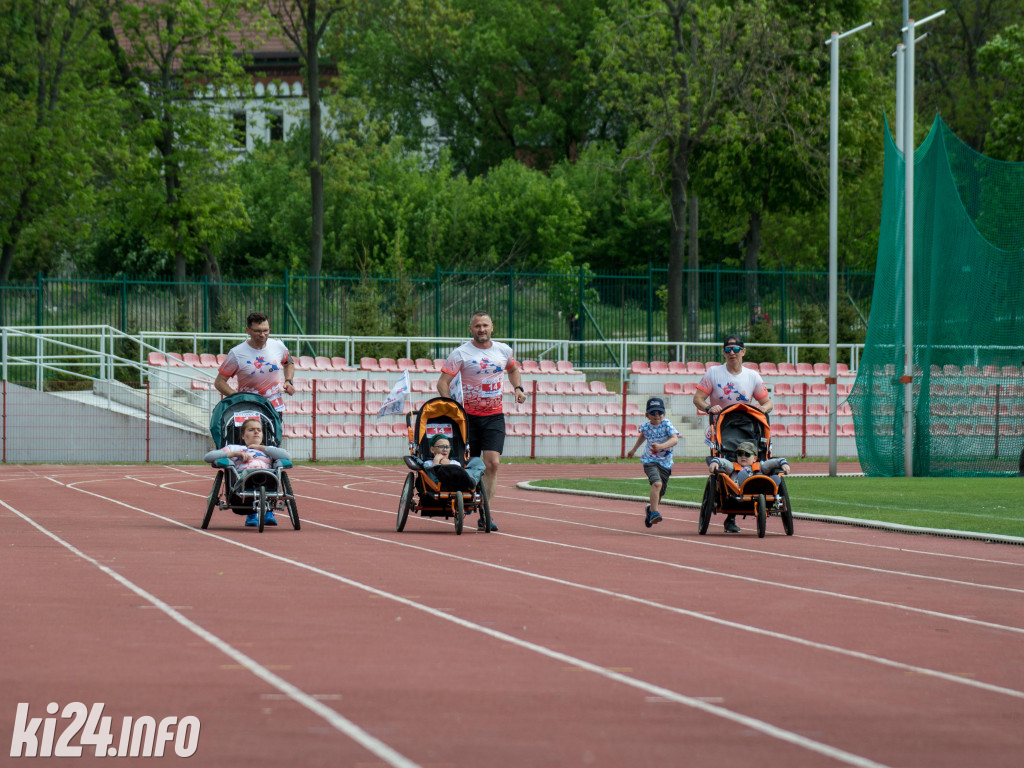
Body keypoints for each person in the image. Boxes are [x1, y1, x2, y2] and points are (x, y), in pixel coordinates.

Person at [436, 311, 527, 531]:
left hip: (494, 416)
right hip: (468, 418)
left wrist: (517, 388)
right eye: (477, 326)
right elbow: (442, 383)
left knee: (493, 463)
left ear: (492, 327)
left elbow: (513, 369)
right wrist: (451, 407)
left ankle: (485, 513)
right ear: (471, 329)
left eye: (485, 325)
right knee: (469, 464)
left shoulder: (503, 351)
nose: (482, 329)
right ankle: (466, 499)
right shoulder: (460, 353)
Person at [693, 334, 773, 533]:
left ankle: (748, 501)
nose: (731, 353)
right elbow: (698, 399)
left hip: (746, 427)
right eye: (728, 350)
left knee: (751, 460)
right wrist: (709, 407)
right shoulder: (713, 373)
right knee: (725, 463)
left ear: (743, 352)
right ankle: (728, 512)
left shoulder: (752, 376)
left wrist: (762, 410)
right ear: (723, 352)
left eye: (736, 350)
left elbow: (767, 402)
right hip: (721, 425)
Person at [203, 418, 291, 527]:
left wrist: (261, 448)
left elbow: (287, 456)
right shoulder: (234, 448)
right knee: (246, 478)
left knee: (274, 474)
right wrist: (234, 454)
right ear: (243, 436)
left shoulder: (269, 449)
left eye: (259, 430)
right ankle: (251, 515)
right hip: (243, 478)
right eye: (251, 430)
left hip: (267, 476)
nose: (256, 432)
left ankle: (269, 513)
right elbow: (208, 457)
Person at [215, 311, 295, 413]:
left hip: (274, 407)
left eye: (266, 330)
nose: (262, 335)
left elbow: (289, 363)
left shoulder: (278, 346)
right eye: (257, 331)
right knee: (253, 430)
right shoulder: (236, 353)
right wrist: (237, 397)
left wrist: (288, 381)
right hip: (248, 408)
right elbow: (219, 382)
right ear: (248, 330)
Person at [626, 396, 680, 529]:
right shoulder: (645, 426)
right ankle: (655, 512)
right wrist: (633, 449)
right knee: (656, 484)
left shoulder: (667, 424)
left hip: (665, 463)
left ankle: (650, 509)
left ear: (664, 414)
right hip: (649, 460)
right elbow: (643, 435)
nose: (657, 415)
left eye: (659, 412)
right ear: (647, 415)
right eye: (653, 413)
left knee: (660, 492)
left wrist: (661, 446)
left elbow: (675, 439)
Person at [708, 440, 789, 487]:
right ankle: (746, 484)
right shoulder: (733, 466)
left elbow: (772, 462)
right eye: (740, 454)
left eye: (747, 454)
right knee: (742, 474)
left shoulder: (761, 465)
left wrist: (783, 463)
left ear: (755, 458)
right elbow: (724, 462)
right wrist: (715, 461)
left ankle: (769, 485)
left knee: (768, 476)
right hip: (739, 489)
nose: (743, 457)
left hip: (759, 485)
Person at [421, 434, 486, 486]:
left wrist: (448, 465)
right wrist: (436, 462)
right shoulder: (428, 463)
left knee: (477, 462)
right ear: (432, 449)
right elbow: (431, 477)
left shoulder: (455, 463)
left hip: (458, 484)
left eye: (447, 447)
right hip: (438, 485)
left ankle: (472, 482)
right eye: (441, 447)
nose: (445, 449)